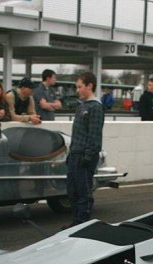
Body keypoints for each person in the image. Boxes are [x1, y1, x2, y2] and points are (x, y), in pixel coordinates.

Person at [66, 71, 105, 226]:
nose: (78, 90)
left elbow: (94, 136)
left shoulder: (95, 108)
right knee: (72, 192)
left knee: (83, 193)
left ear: (90, 86)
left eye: (80, 87)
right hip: (75, 154)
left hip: (84, 156)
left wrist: (88, 157)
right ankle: (76, 222)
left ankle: (82, 224)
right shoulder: (81, 107)